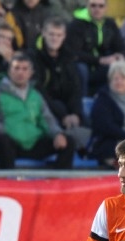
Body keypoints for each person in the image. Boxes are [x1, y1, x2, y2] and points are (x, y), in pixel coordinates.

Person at [0, 51, 75, 169]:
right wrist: (7, 129)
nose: (20, 72)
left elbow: (47, 120)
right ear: (9, 71)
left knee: (68, 141)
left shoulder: (36, 95)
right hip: (8, 142)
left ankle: (57, 183)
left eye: (24, 69)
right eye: (16, 68)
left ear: (31, 73)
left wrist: (58, 133)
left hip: (33, 142)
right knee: (3, 142)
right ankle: (8, 184)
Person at [29, 16, 90, 151]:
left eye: (58, 35)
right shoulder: (33, 56)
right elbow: (38, 90)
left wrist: (75, 113)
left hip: (66, 107)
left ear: (64, 36)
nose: (54, 38)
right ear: (43, 33)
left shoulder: (68, 56)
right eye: (51, 34)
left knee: (86, 121)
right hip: (44, 107)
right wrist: (63, 115)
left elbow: (75, 88)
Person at [65, 0, 125, 97]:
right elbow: (73, 53)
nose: (97, 9)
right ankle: (83, 103)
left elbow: (121, 47)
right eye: (93, 5)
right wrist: (99, 60)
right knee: (81, 69)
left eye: (100, 6)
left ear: (106, 8)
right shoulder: (76, 24)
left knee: (123, 66)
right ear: (87, 6)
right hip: (84, 65)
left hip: (102, 65)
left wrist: (120, 56)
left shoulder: (110, 24)